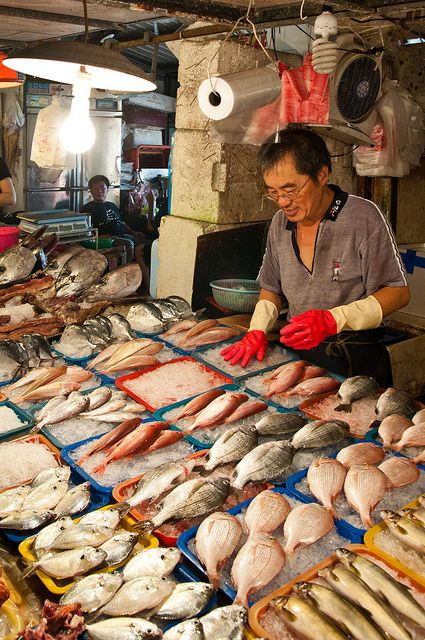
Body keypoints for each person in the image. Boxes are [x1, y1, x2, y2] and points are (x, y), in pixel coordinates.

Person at [221, 128, 409, 386]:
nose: (283, 202)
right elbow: (270, 288)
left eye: (291, 190)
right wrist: (257, 329)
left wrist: (333, 319)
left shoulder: (364, 217)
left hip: (354, 360)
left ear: (321, 175)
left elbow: (398, 292)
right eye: (273, 192)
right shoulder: (280, 223)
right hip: (298, 357)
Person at [80, 174, 149, 285]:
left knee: (150, 244)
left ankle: (142, 278)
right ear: (91, 191)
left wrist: (134, 232)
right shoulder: (87, 208)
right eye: (96, 188)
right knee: (129, 244)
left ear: (107, 189)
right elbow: (87, 231)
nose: (100, 191)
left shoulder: (112, 205)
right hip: (107, 238)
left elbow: (122, 223)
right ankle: (122, 277)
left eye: (102, 187)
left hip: (123, 235)